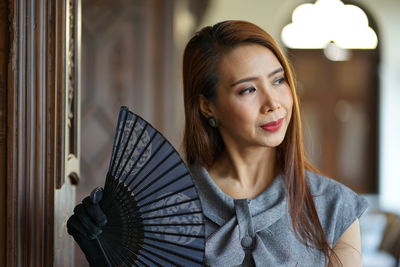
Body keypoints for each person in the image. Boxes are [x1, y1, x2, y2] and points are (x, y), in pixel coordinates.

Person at [67, 20, 368, 266]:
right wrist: (105, 256)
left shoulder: (334, 207)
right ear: (207, 106)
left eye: (278, 80)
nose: (273, 102)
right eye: (248, 90)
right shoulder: (165, 209)